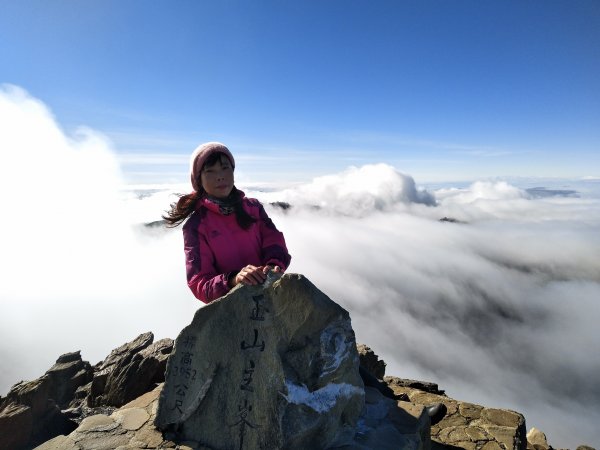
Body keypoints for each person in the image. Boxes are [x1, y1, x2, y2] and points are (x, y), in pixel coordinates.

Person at [163, 142, 291, 303]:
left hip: (272, 295)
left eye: (225, 168)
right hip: (235, 309)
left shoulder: (253, 208)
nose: (220, 176)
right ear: (199, 180)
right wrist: (234, 279)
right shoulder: (195, 226)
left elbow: (274, 241)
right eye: (210, 171)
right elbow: (199, 284)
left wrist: (273, 266)